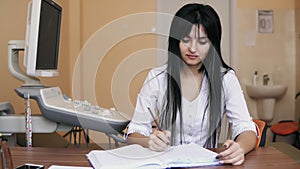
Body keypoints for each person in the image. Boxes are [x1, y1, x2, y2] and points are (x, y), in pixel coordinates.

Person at [127, 3, 257, 165]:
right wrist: (150, 142)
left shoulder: (226, 79)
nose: (193, 49)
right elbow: (134, 133)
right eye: (186, 40)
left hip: (209, 164)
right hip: (167, 164)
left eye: (202, 41)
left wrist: (240, 147)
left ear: (212, 45)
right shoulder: (157, 78)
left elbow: (245, 127)